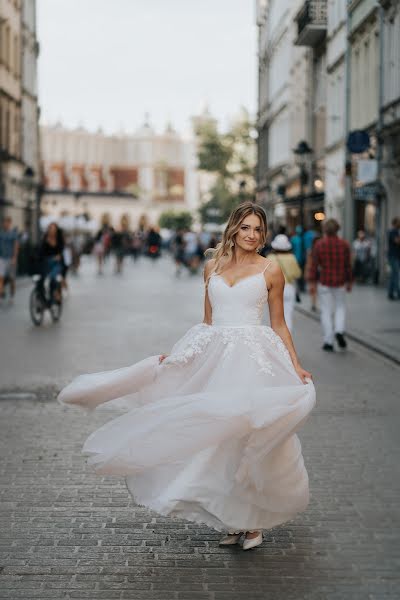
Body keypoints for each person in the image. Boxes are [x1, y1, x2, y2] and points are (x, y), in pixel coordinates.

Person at [58, 201, 315, 551]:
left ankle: (253, 521)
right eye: (246, 228)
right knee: (219, 437)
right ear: (234, 229)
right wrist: (179, 356)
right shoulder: (212, 266)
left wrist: (295, 363)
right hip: (217, 358)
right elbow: (208, 322)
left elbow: (279, 324)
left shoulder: (271, 270)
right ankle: (233, 518)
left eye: (258, 229)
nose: (252, 235)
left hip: (253, 359)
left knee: (247, 435)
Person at [308, 219, 352, 352]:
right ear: (337, 229)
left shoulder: (319, 245)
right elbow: (348, 265)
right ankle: (339, 330)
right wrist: (350, 281)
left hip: (324, 281)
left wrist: (312, 282)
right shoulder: (344, 244)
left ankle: (328, 341)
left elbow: (314, 265)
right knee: (340, 307)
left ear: (325, 230)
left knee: (326, 311)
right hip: (340, 282)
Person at [268, 234, 301, 332]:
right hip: (288, 287)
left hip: (274, 289)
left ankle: (276, 338)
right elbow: (297, 274)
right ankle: (287, 339)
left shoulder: (270, 257)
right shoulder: (292, 257)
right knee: (288, 315)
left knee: (275, 316)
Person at [39, 222, 65, 303]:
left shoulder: (59, 239)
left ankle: (55, 293)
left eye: (53, 229)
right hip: (46, 262)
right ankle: (41, 298)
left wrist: (58, 256)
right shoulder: (45, 238)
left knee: (53, 277)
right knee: (41, 279)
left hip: (56, 263)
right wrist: (46, 242)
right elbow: (41, 251)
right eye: (50, 228)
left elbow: (61, 251)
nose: (52, 230)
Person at [0, 216, 19, 304]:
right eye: (4, 222)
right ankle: (1, 292)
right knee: (1, 277)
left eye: (7, 222)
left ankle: (12, 296)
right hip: (2, 258)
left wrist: (14, 257)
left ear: (10, 223)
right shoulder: (1, 233)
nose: (5, 224)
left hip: (11, 259)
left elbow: (16, 245)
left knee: (12, 279)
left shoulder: (13, 234)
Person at [387, 217, 400, 300]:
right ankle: (398, 292)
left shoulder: (396, 232)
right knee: (395, 274)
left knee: (393, 275)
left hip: (396, 256)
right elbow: (397, 241)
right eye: (399, 222)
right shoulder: (393, 232)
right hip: (393, 256)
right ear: (395, 223)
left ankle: (390, 293)